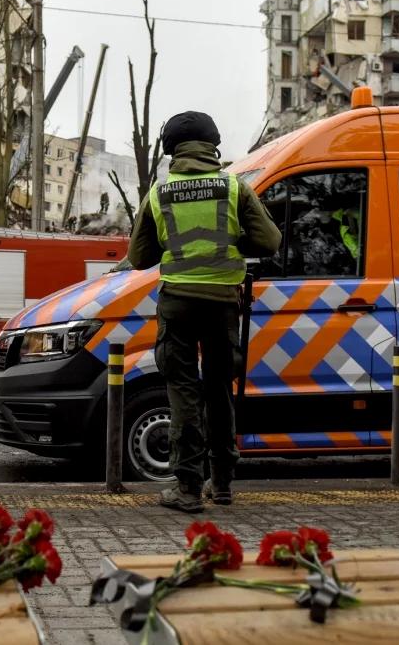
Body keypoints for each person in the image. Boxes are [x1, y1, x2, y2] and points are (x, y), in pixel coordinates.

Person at [128, 111, 282, 513]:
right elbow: (270, 241)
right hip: (222, 305)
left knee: (183, 393)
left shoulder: (159, 192)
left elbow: (138, 256)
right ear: (213, 145)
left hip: (177, 304)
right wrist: (231, 245)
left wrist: (174, 244)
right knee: (218, 390)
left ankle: (188, 488)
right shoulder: (234, 187)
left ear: (170, 150)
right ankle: (224, 482)